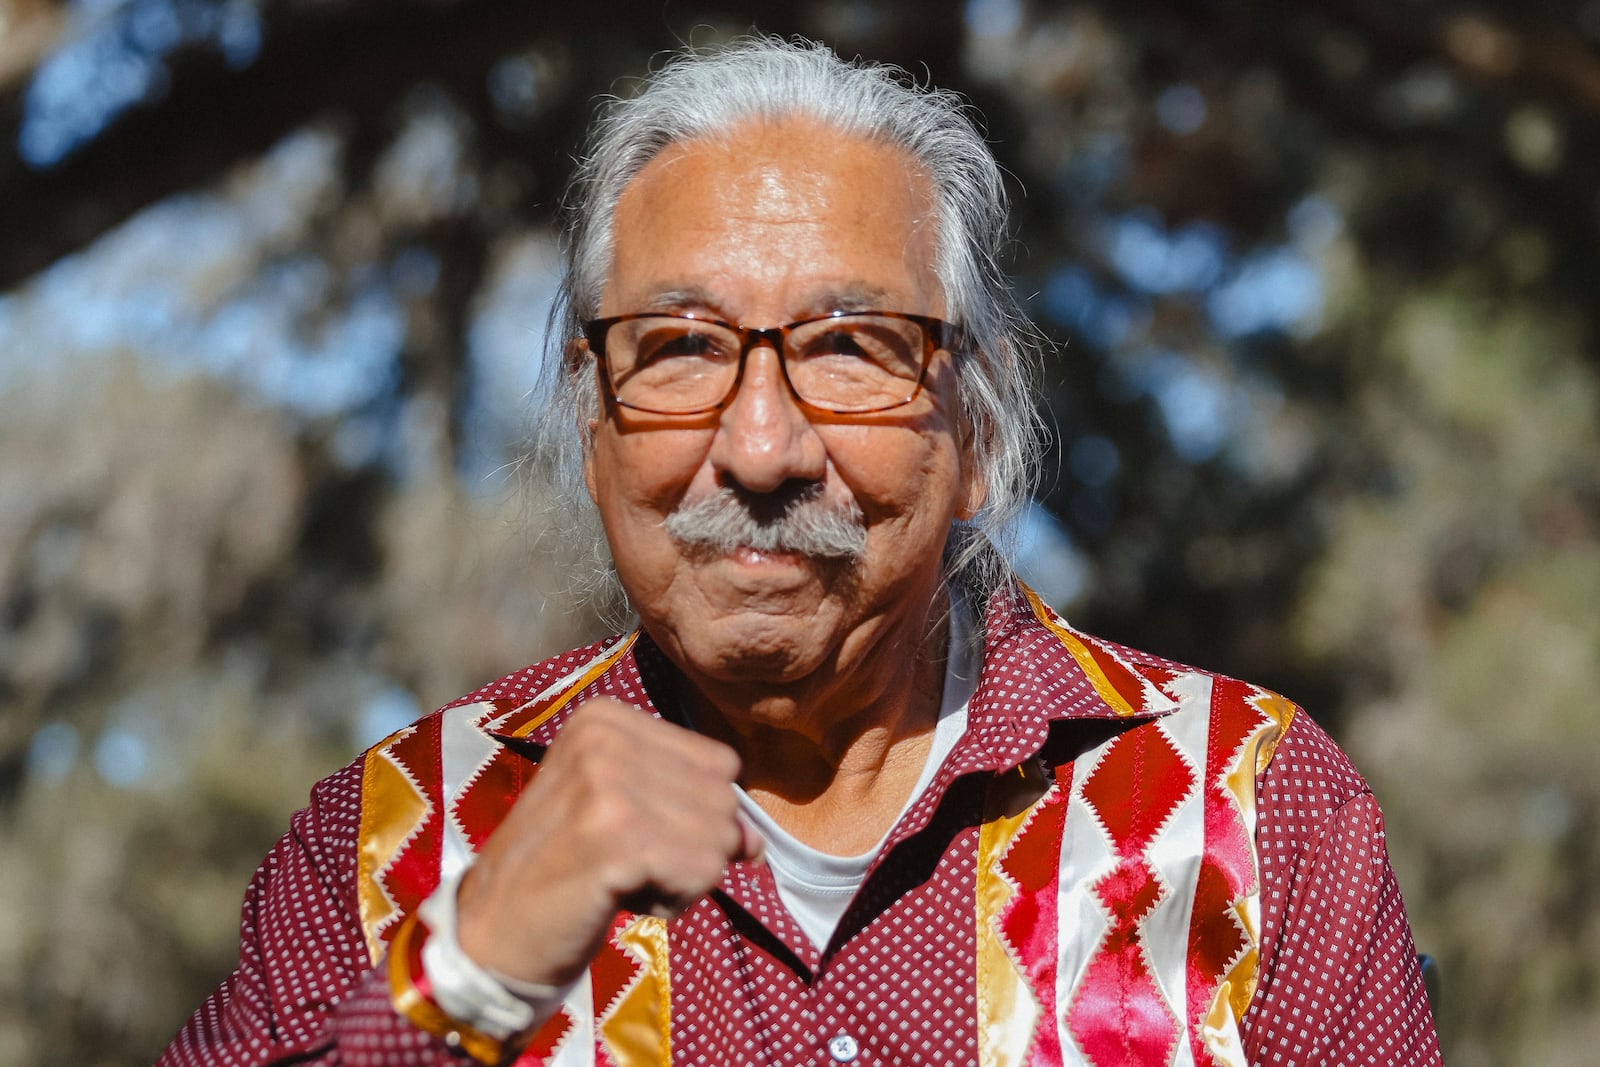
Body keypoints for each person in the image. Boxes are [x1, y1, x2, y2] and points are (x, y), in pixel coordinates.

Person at [159, 37, 1442, 1067]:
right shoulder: (393, 836)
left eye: (848, 347)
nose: (761, 447)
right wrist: (470, 979)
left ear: (979, 431)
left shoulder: (1251, 808)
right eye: (681, 349)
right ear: (591, 427)